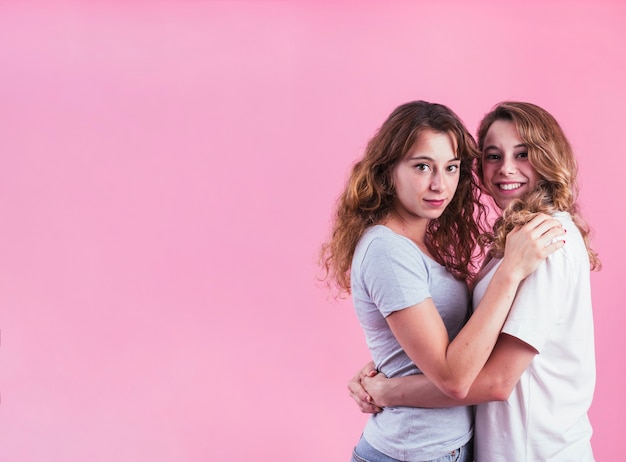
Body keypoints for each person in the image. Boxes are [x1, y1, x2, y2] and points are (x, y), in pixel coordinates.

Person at [348, 101, 600, 461]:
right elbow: (457, 347)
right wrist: (388, 366)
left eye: (523, 153)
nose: (506, 169)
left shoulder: (545, 241)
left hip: (535, 452)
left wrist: (389, 391)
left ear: (548, 157)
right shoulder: (516, 241)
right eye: (493, 156)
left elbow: (494, 380)